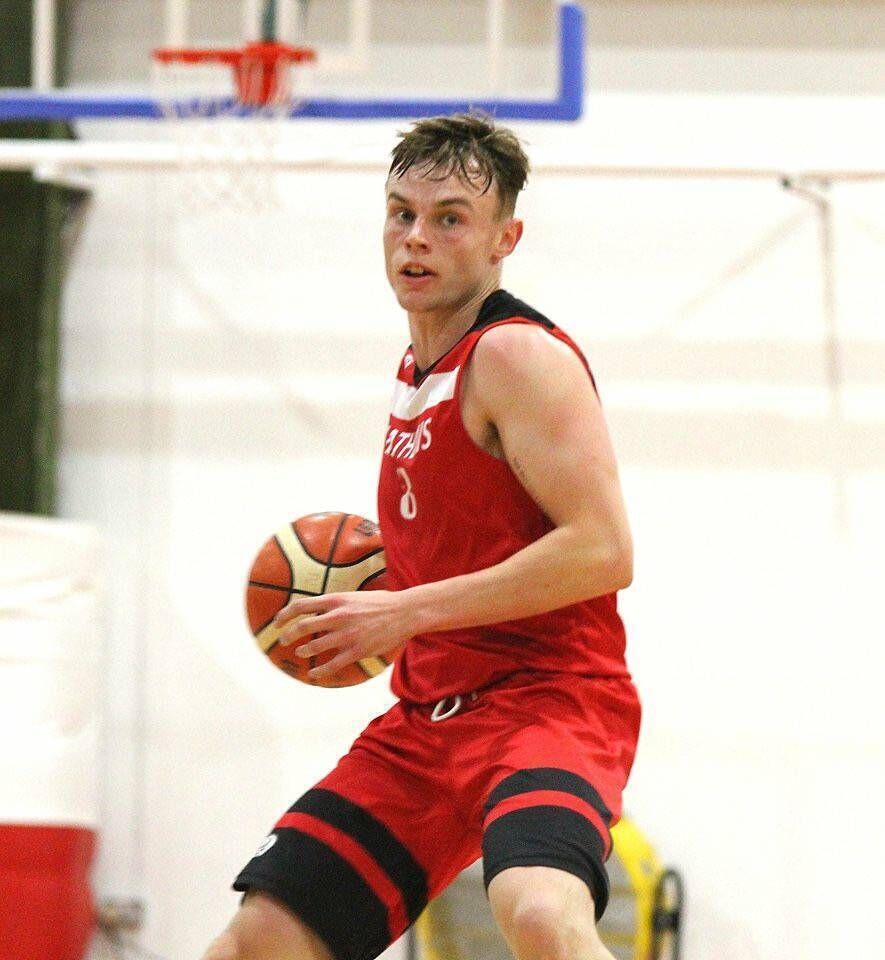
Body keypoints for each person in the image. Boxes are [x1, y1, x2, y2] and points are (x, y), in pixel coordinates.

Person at [202, 113, 640, 960]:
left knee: (542, 915)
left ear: (505, 236)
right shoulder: (417, 369)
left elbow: (602, 549)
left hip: (545, 701)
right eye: (400, 213)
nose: (416, 237)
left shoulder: (514, 356)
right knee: (255, 943)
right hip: (426, 719)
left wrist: (402, 612)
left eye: (448, 218)